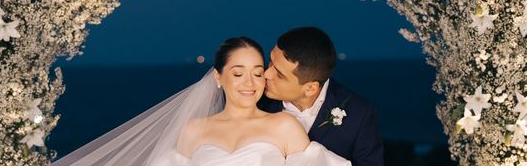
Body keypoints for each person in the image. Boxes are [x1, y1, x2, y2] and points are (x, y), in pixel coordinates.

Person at [51, 36, 350, 165]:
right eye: (238, 73)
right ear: (219, 78)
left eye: (258, 73)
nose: (249, 83)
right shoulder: (194, 130)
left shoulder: (284, 126)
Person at [259, 27, 384, 166]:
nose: (266, 74)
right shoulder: (255, 101)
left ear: (310, 89)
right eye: (270, 62)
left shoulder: (359, 114)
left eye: (279, 75)